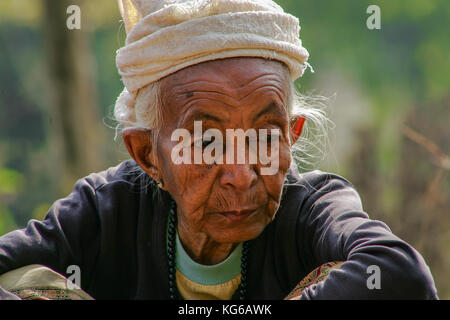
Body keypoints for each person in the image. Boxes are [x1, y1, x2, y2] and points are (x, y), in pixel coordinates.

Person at [0, 0, 438, 300]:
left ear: (292, 135)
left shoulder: (311, 209)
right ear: (147, 154)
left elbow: (401, 273)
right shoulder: (104, 210)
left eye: (266, 135)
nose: (242, 173)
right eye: (206, 142)